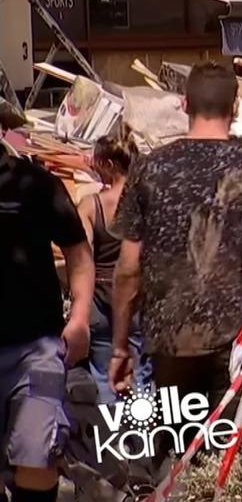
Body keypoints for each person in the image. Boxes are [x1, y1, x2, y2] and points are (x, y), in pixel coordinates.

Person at [110, 62, 242, 409]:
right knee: (230, 452)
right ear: (234, 108)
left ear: (184, 104)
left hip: (168, 342)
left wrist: (120, 346)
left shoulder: (148, 170)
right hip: (231, 343)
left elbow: (128, 269)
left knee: (176, 448)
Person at [0, 118, 94, 502]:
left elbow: (77, 248)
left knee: (37, 454)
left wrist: (79, 317)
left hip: (35, 349)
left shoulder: (34, 183)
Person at [77, 136, 151, 404]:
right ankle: (144, 439)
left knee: (102, 376)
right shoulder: (146, 201)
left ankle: (111, 442)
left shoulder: (90, 205)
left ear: (108, 164)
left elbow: (82, 259)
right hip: (137, 299)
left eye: (97, 163)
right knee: (141, 372)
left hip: (99, 300)